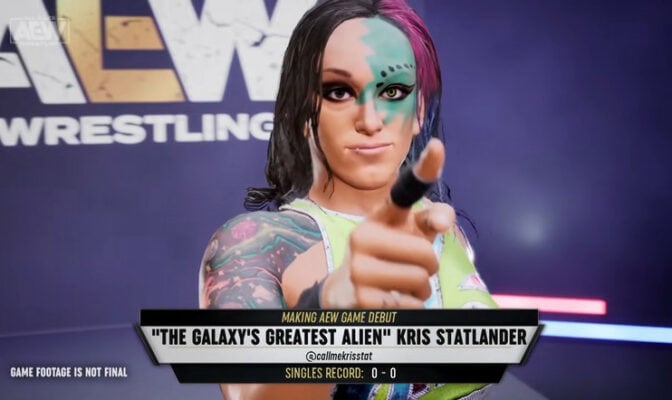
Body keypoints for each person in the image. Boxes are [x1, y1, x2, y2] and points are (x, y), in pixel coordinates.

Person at [199, 0, 498, 398]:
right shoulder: (255, 246)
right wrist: (327, 311)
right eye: (339, 91)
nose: (370, 121)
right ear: (303, 109)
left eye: (393, 90)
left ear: (419, 109)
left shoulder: (443, 229)